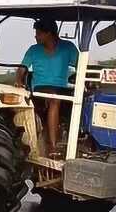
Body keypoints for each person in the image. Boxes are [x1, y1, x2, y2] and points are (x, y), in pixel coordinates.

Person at [15, 19, 78, 156]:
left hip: (62, 87)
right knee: (54, 99)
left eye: (38, 33)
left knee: (85, 99)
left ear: (48, 33)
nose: (36, 36)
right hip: (40, 88)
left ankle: (78, 141)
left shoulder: (68, 47)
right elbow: (21, 69)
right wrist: (19, 80)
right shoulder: (34, 50)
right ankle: (53, 147)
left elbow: (81, 65)